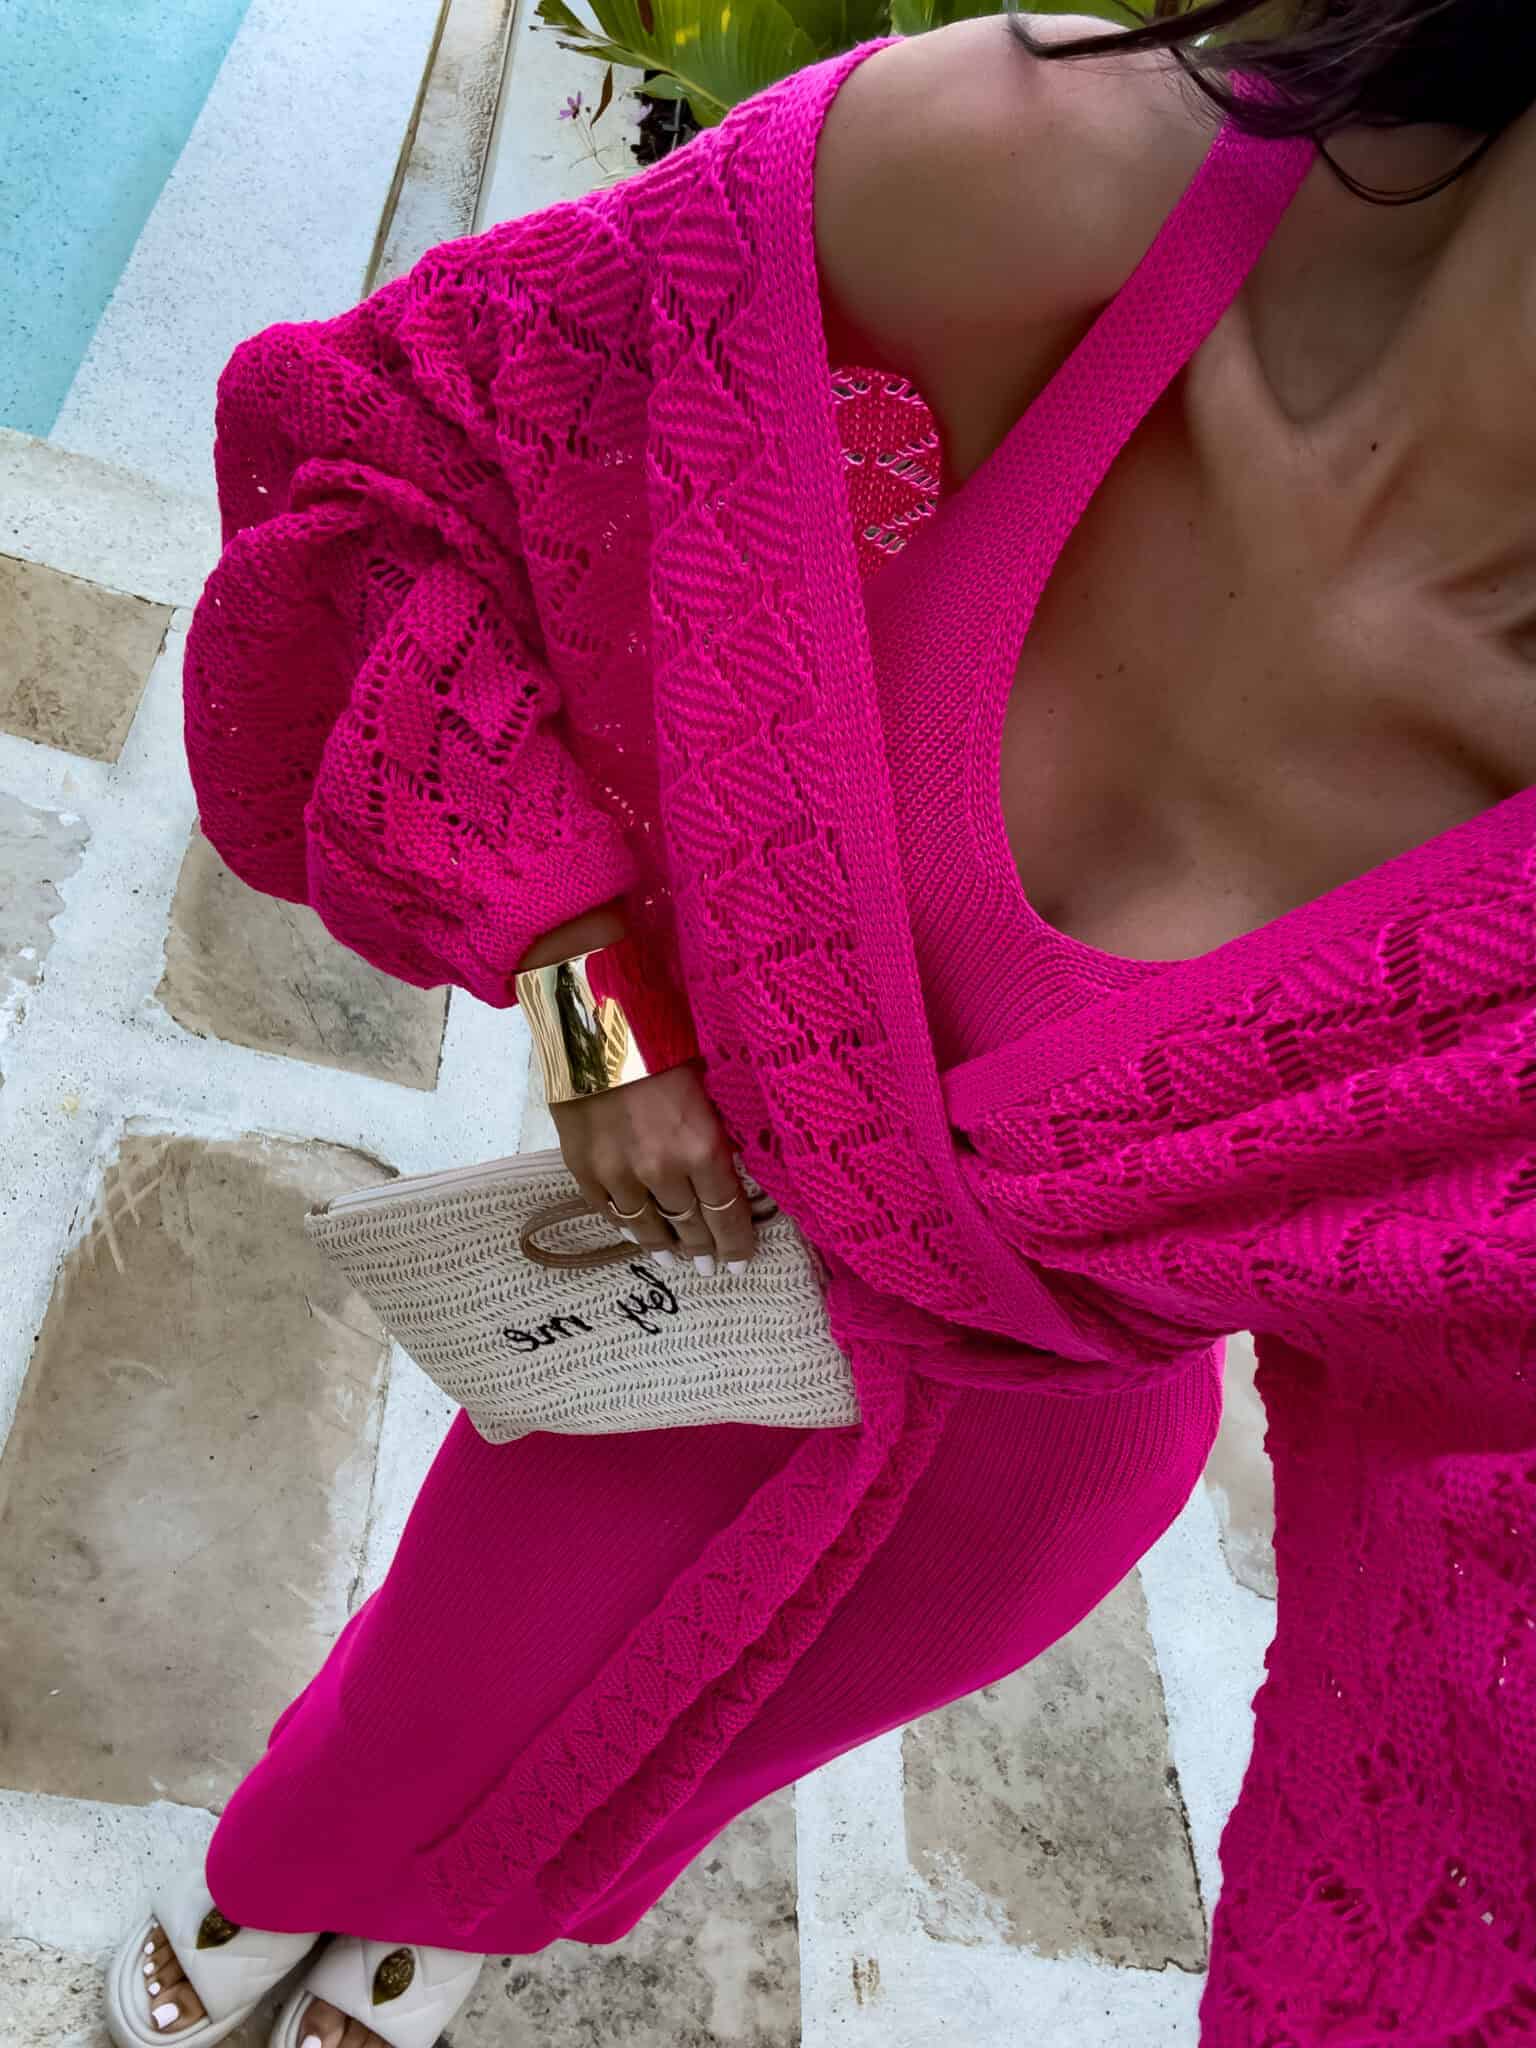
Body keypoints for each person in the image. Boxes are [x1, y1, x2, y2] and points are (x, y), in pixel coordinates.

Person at [105, 3, 1536, 2043]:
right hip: (705, 1298)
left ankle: (467, 1927)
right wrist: (592, 991)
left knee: (689, 1760)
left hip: (1023, 1465)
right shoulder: (1035, 169)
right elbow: (395, 453)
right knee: (456, 1657)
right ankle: (291, 1868)